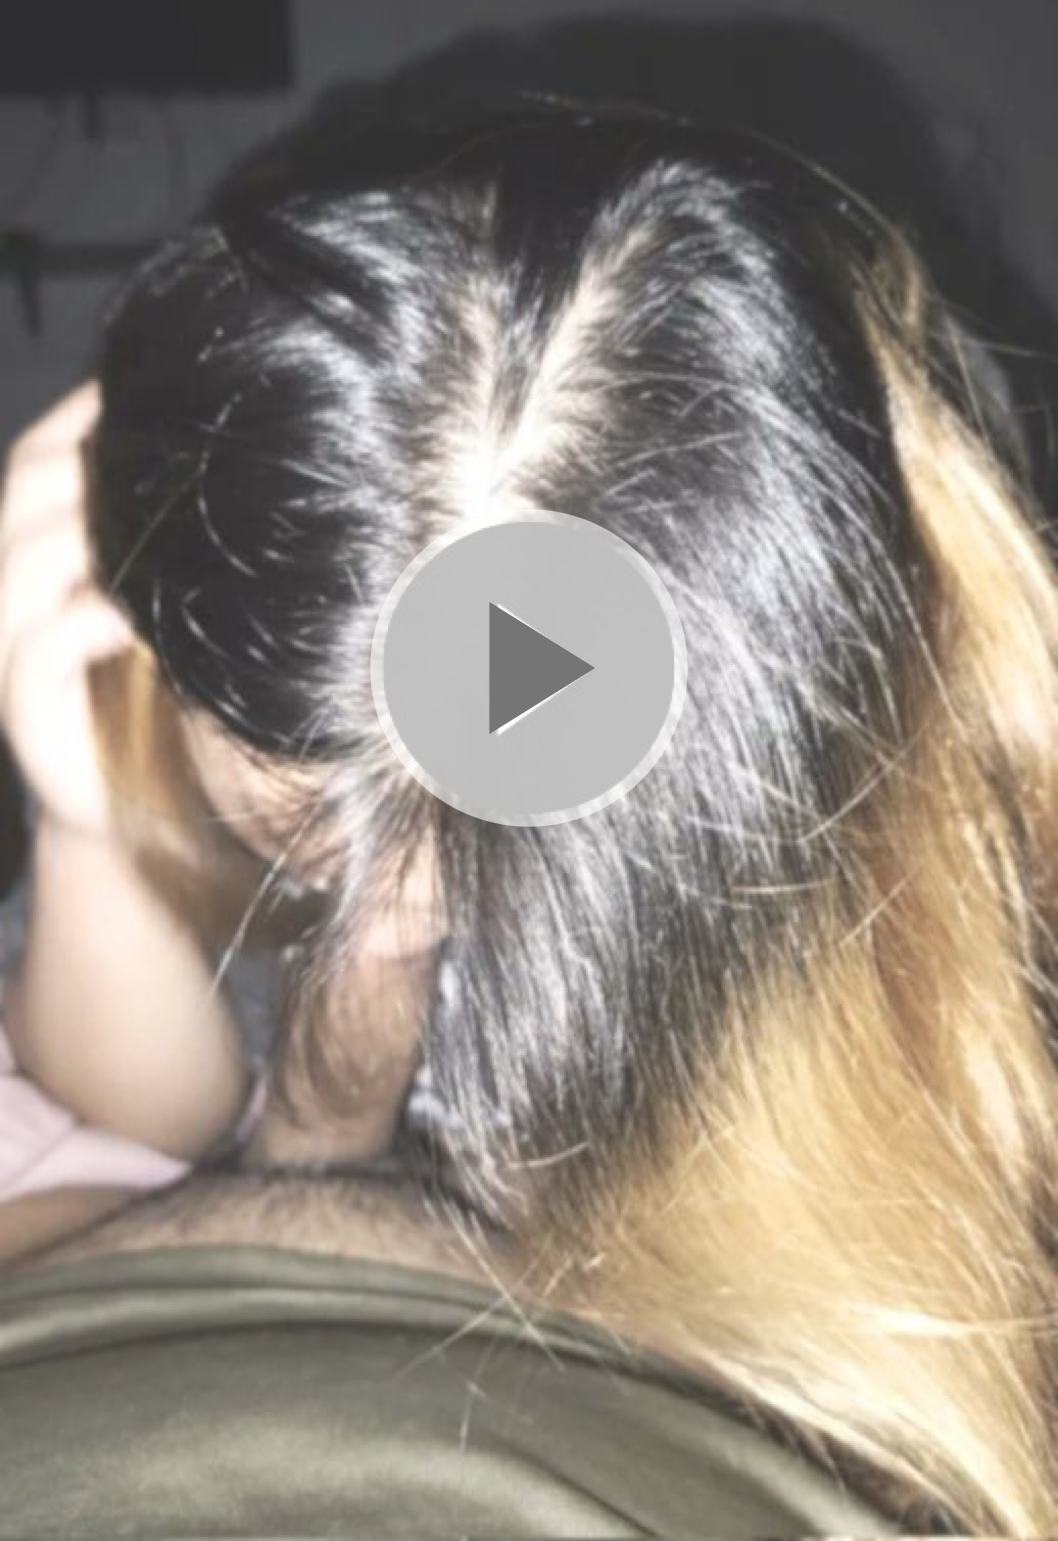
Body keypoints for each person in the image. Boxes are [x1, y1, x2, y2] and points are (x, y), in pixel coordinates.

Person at [0, 94, 1055, 1537]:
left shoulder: (857, 944)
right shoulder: (207, 687)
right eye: (308, 826)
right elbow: (130, 1121)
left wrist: (320, 1142)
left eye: (477, 835)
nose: (396, 904)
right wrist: (92, 839)